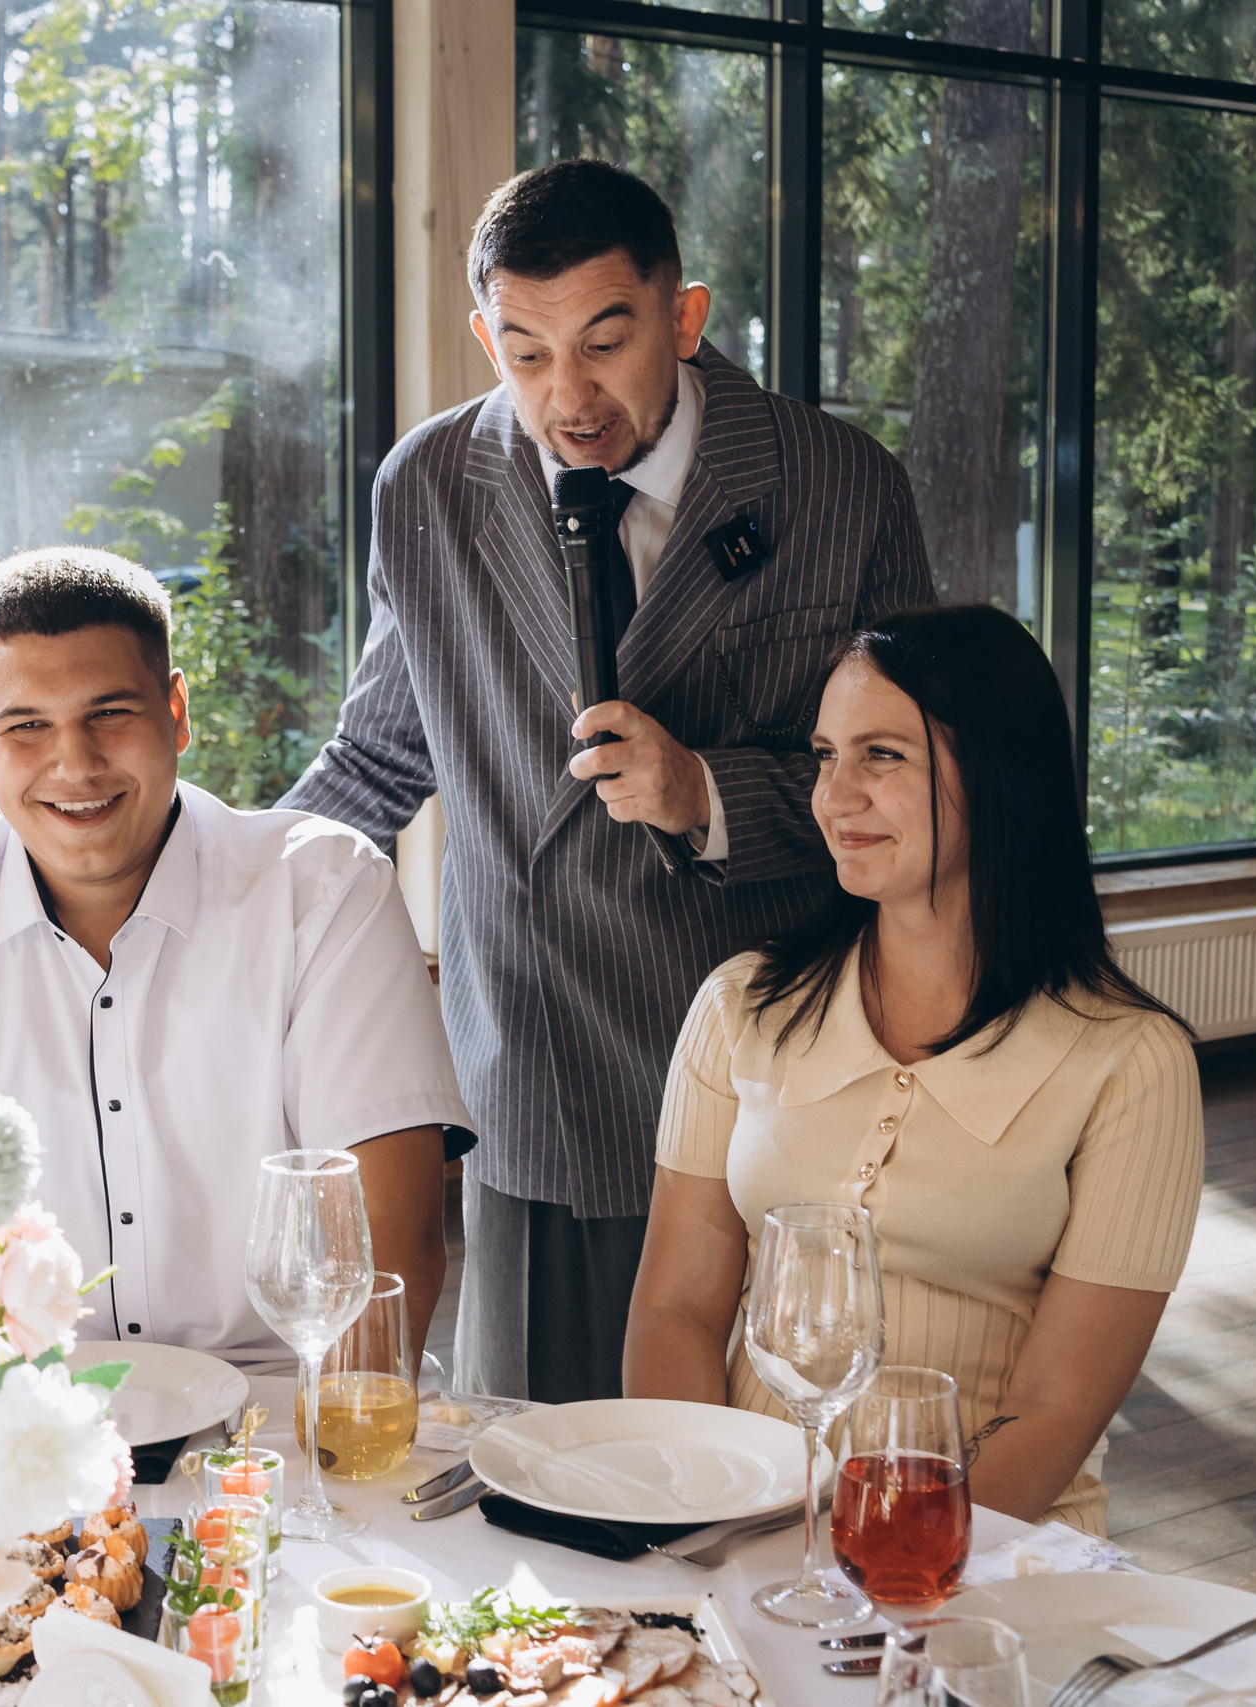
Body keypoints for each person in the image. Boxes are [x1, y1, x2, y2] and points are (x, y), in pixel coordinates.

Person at [281, 159, 937, 1402]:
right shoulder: (425, 489)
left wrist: (708, 794)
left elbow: (915, 778)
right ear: (485, 337)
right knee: (542, 1476)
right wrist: (207, 885)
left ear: (682, 319)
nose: (565, 397)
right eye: (523, 354)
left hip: (775, 1061)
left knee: (763, 1464)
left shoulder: (843, 485)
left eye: (602, 342)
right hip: (538, 1065)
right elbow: (378, 756)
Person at [0, 547, 471, 1367]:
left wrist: (329, 1465)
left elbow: (389, 1259)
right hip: (6, 1426)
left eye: (110, 713)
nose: (75, 763)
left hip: (280, 1417)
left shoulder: (324, 887)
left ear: (176, 710)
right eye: (26, 725)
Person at [624, 605, 1204, 1534]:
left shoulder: (1132, 1063)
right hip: (745, 1530)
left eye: (882, 756)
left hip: (988, 1556)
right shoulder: (740, 1006)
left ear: (1000, 774)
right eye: (825, 754)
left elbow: (1057, 1404)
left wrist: (895, 1559)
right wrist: (703, 1516)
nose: (833, 795)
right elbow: (675, 1308)